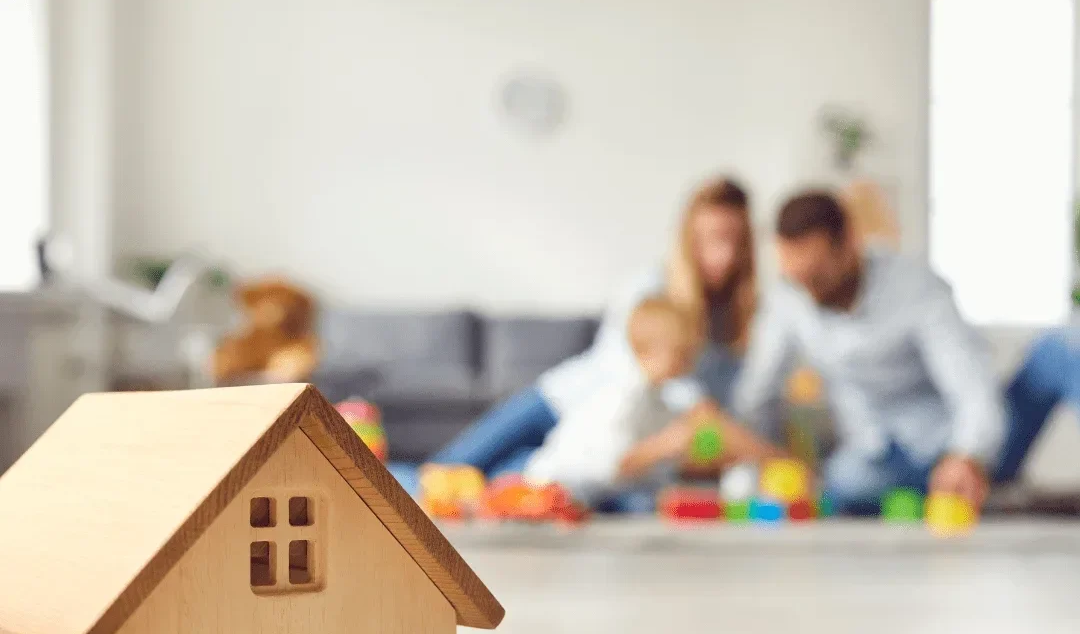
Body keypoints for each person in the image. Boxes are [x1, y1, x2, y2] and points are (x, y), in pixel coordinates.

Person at [420, 177, 781, 493]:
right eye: (713, 240)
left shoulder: (740, 320)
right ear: (689, 238)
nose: (724, 255)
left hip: (599, 446)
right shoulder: (649, 290)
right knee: (442, 473)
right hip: (559, 403)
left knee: (504, 488)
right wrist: (763, 450)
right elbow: (663, 384)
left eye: (735, 241)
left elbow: (726, 408)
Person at [736, 189, 1080, 514]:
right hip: (880, 460)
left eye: (818, 276)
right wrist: (764, 462)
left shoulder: (915, 287)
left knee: (1059, 349)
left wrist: (968, 454)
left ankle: (973, 484)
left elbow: (971, 385)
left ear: (850, 243)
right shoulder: (787, 301)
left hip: (968, 446)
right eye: (798, 279)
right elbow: (757, 396)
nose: (808, 292)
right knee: (846, 482)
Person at [522, 297, 697, 501]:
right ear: (650, 350)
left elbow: (653, 471)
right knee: (641, 504)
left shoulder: (661, 401)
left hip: (599, 491)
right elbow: (615, 465)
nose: (689, 361)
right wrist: (662, 446)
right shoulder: (624, 397)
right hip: (556, 483)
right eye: (681, 353)